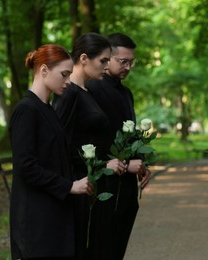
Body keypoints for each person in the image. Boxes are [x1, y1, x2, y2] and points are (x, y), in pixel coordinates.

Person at [9, 44, 93, 259]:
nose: (68, 81)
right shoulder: (26, 109)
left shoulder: (46, 108)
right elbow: (26, 166)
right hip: (37, 219)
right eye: (64, 75)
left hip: (53, 213)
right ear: (44, 70)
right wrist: (69, 186)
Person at [53, 32, 126, 259]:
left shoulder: (87, 91)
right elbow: (61, 145)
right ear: (84, 58)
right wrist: (104, 163)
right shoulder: (69, 93)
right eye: (103, 60)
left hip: (94, 182)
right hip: (81, 184)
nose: (107, 66)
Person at [86, 32, 150, 259]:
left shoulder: (126, 93)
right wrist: (120, 162)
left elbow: (129, 135)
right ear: (107, 58)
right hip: (103, 185)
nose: (128, 67)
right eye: (123, 61)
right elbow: (89, 139)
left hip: (127, 190)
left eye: (131, 62)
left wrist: (142, 162)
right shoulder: (90, 88)